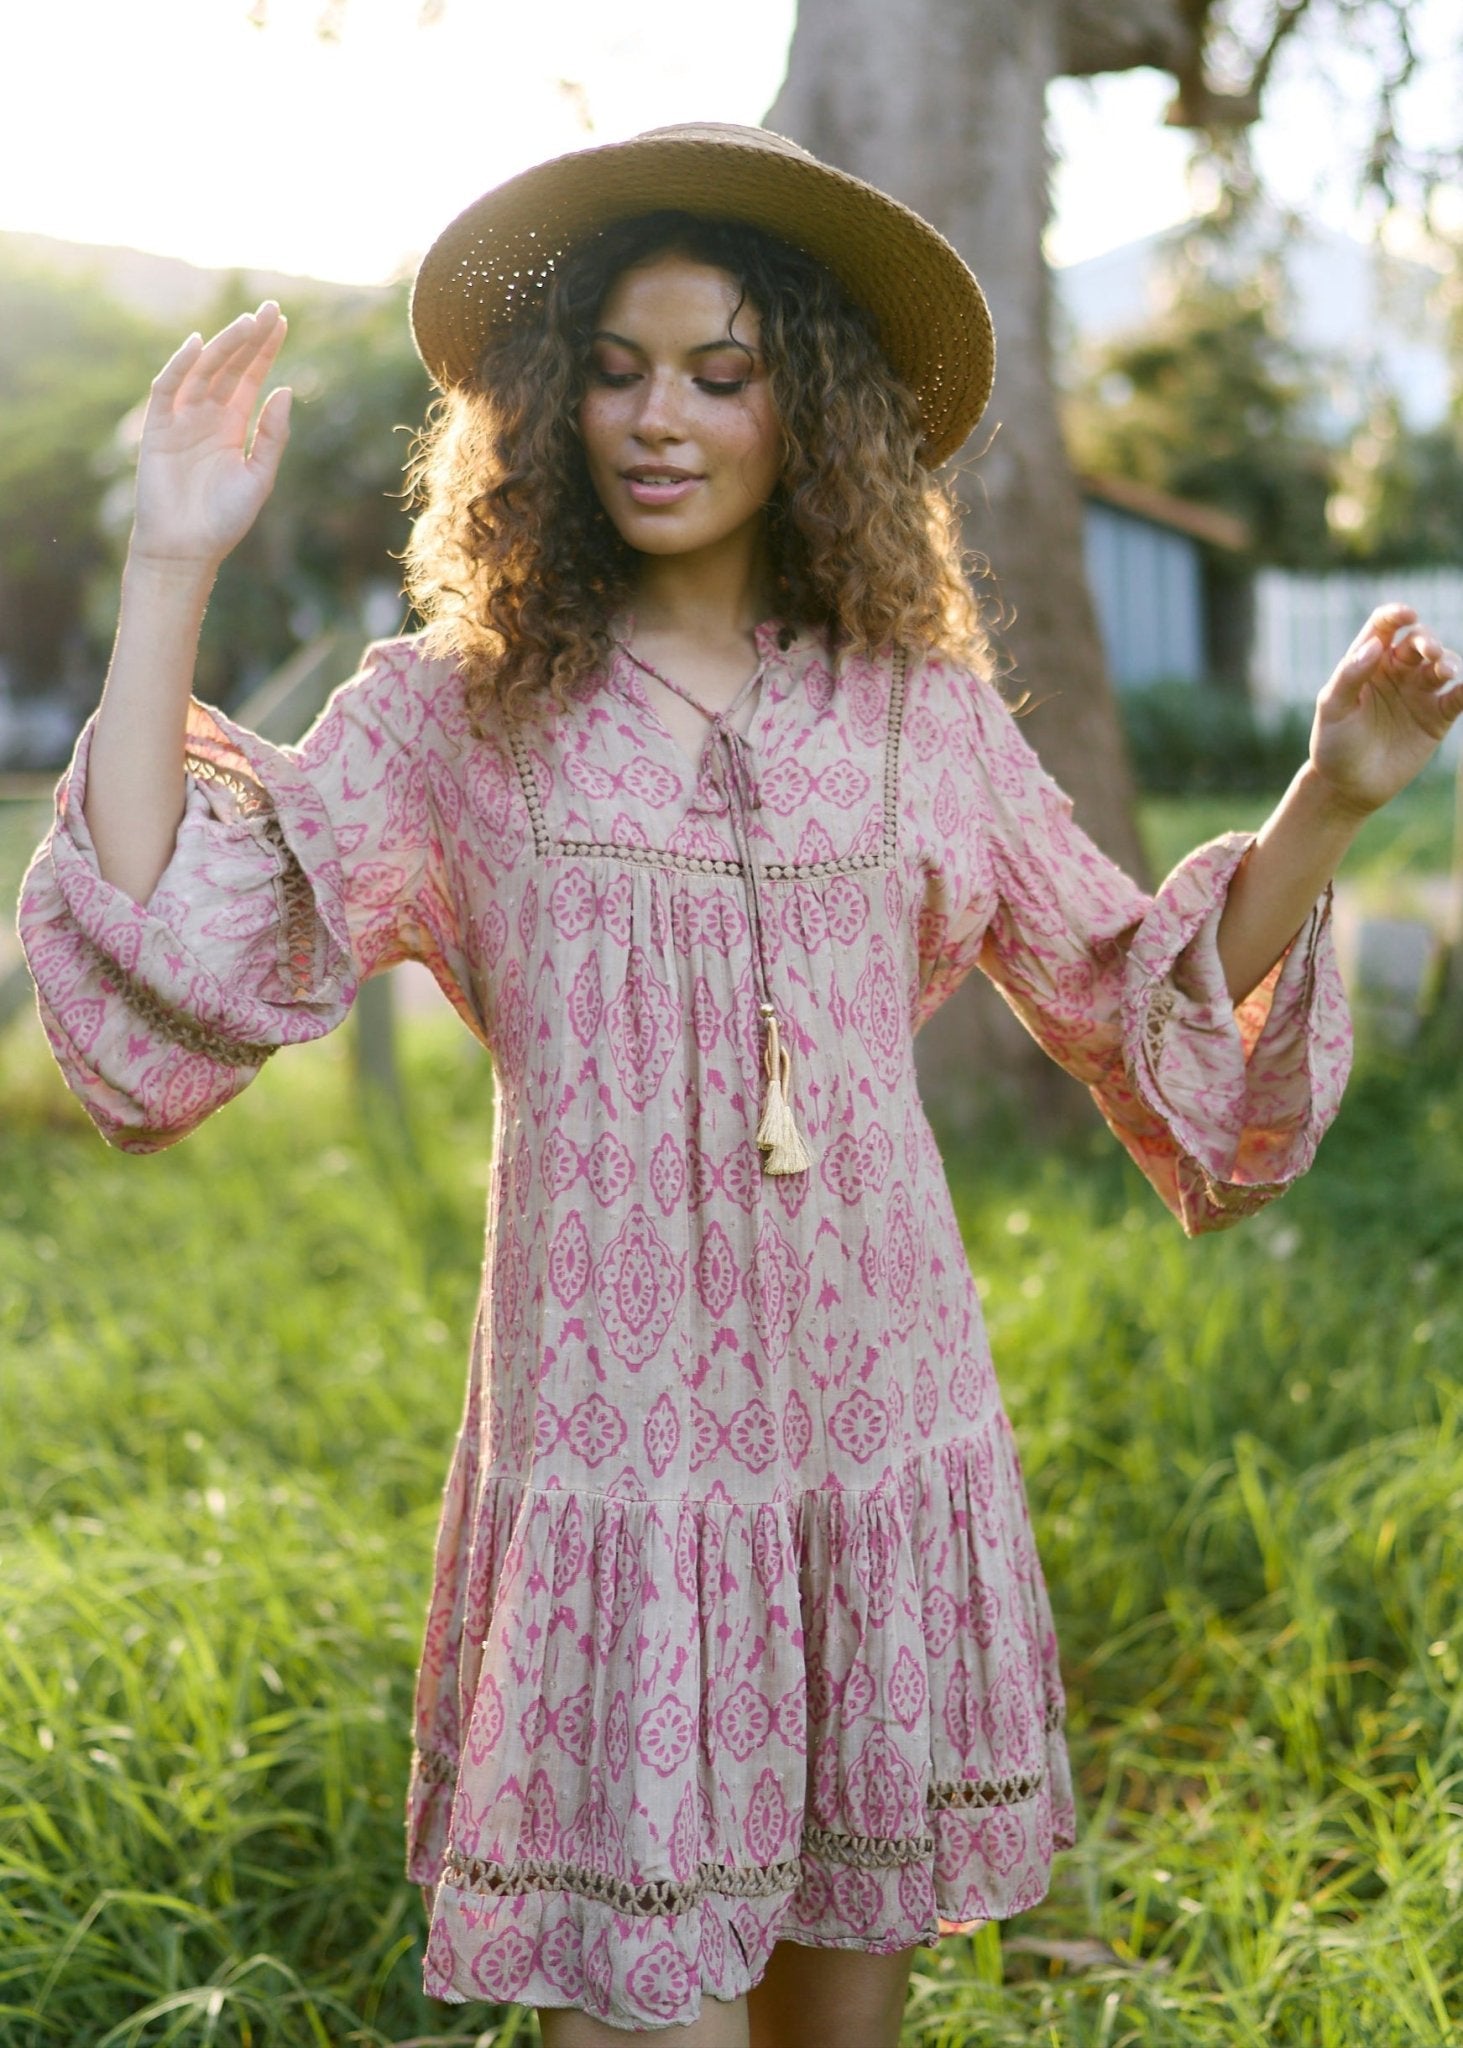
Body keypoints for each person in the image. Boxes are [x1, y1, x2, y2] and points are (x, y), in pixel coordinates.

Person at [15, 122, 1463, 2048]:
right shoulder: (452, 716)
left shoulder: (915, 714)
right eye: (612, 371)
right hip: (618, 1478)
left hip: (878, 1436)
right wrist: (167, 560)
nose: (656, 419)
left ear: (817, 406)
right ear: (548, 404)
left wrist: (1331, 799)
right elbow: (167, 927)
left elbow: (1140, 988)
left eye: (721, 371)